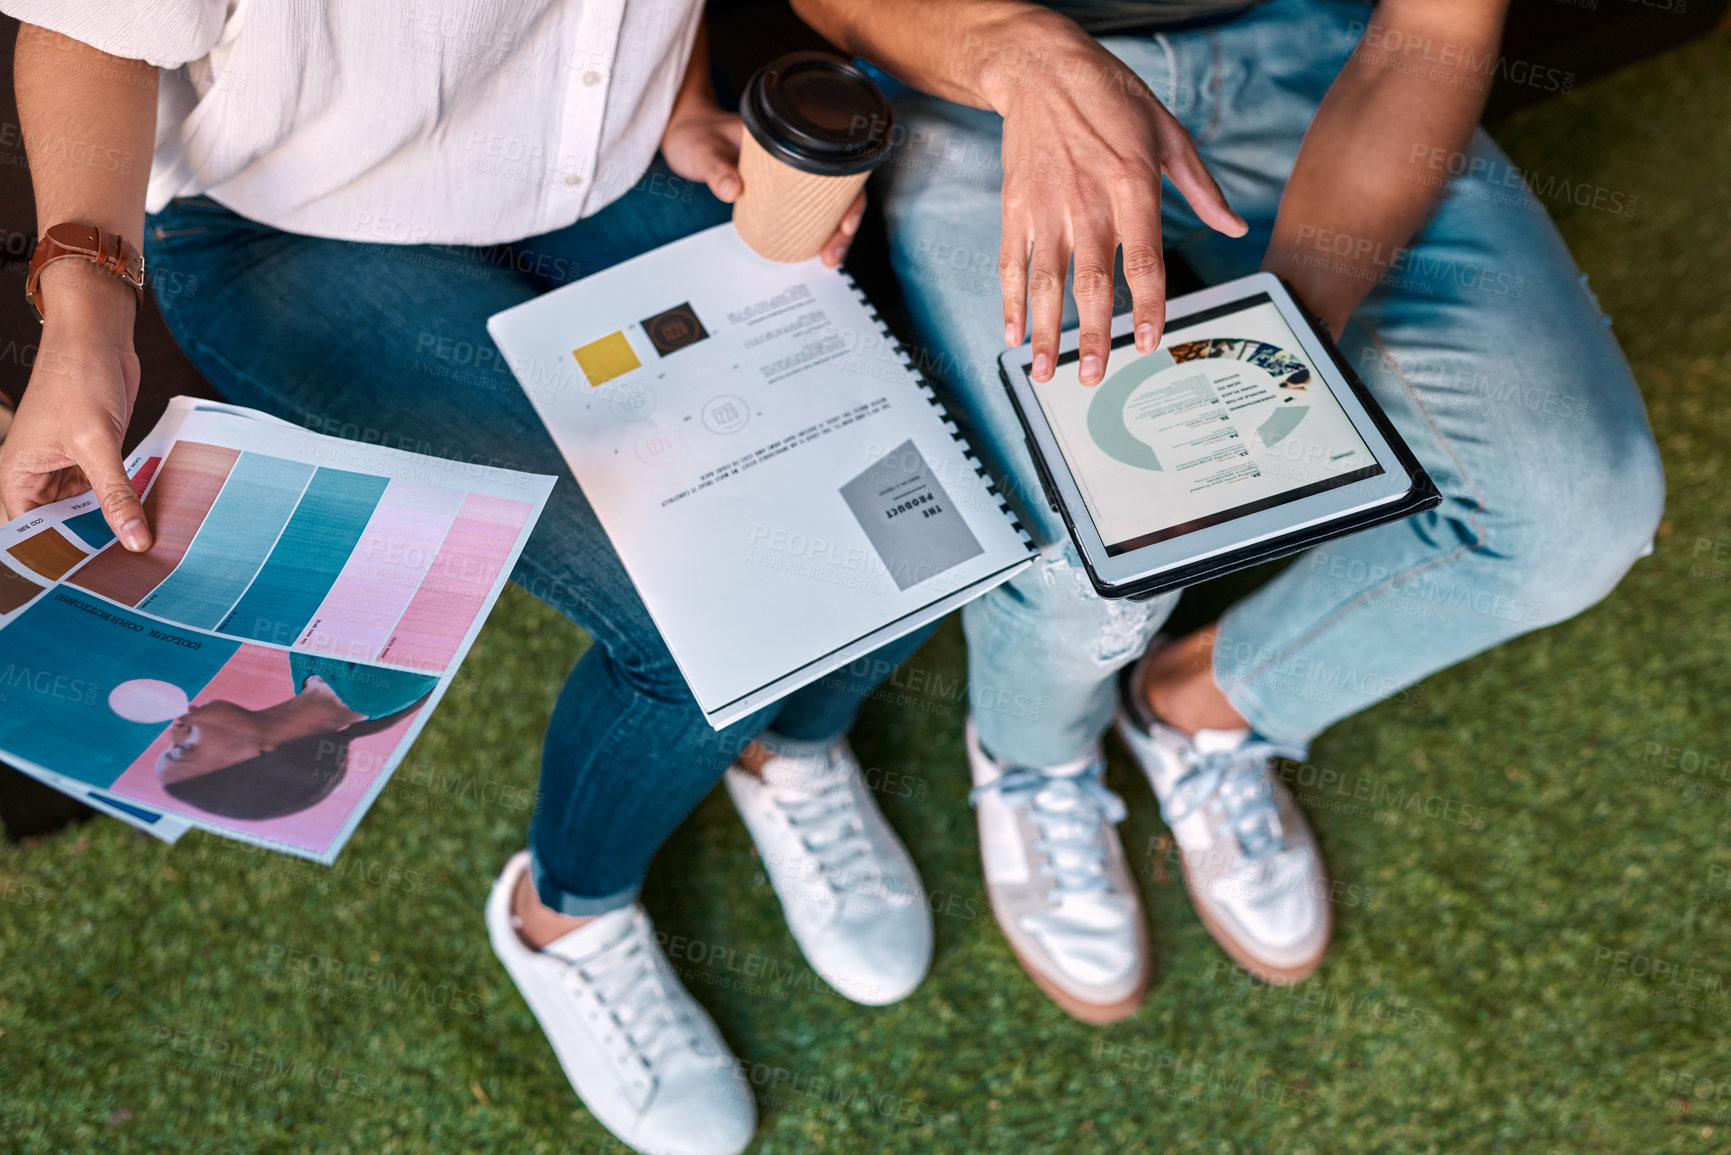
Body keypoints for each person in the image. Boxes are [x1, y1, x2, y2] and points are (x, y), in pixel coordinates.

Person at [0, 6, 937, 1153]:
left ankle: (782, 745)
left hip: (618, 154)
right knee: (699, 633)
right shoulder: (339, 678)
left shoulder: (299, 679)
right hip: (296, 219)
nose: (186, 735)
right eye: (201, 748)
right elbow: (92, 28)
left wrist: (685, 90)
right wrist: (85, 313)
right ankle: (565, 915)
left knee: (909, 515)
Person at [792, 0, 1665, 1019]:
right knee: (1097, 564)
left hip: (1325, 59)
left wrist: (1290, 341)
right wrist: (1015, 58)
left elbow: (1441, 28)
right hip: (981, 81)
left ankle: (1206, 703)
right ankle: (1036, 762)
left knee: (1581, 515)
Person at [154, 659, 437, 821]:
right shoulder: (383, 683)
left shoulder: (304, 675)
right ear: (261, 757)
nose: (175, 726)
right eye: (183, 749)